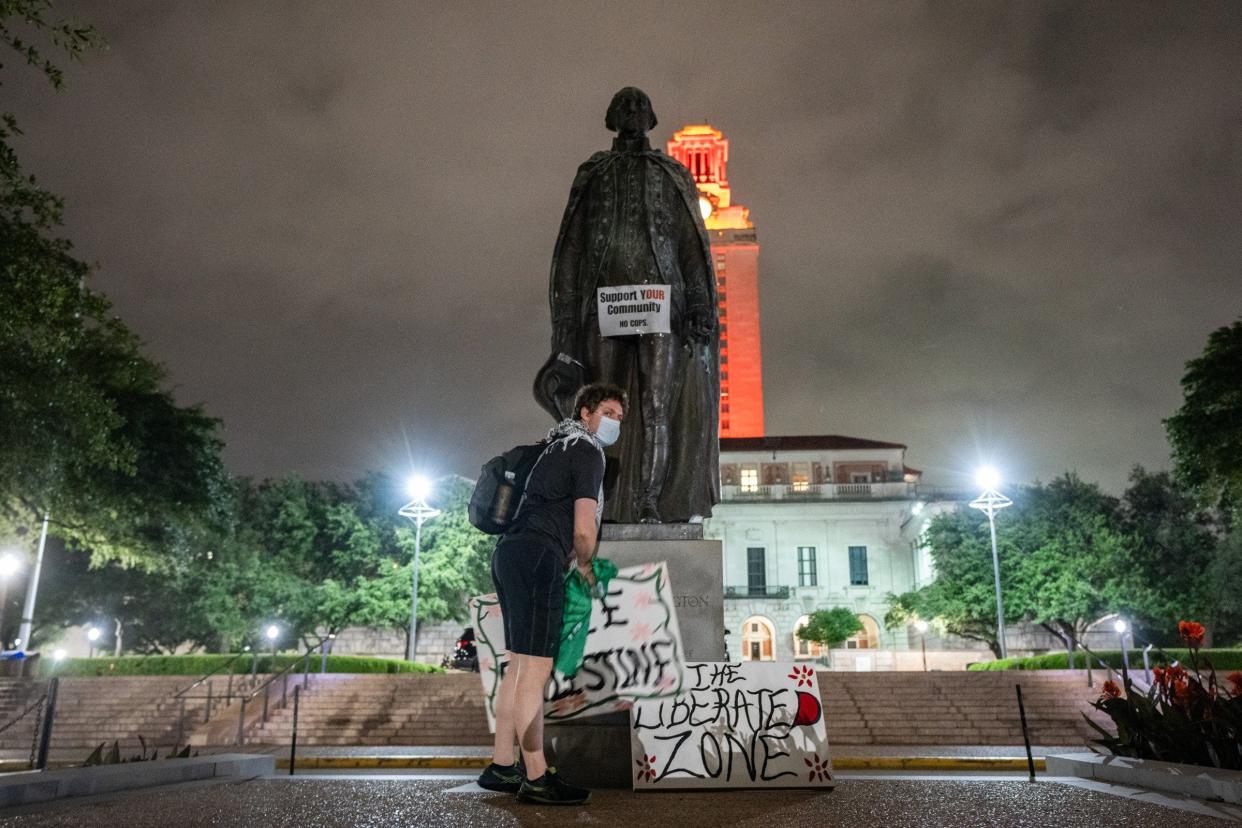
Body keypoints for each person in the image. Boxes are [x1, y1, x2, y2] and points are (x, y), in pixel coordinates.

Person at [537, 87, 719, 524]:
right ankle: (604, 499)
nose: (633, 111)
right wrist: (564, 320)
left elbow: (690, 245)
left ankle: (650, 502)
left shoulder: (671, 172)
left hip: (660, 303)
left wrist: (697, 301)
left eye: (640, 106)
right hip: (605, 306)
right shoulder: (594, 173)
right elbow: (572, 248)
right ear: (611, 116)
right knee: (600, 407)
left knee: (659, 405)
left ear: (652, 118)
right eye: (625, 105)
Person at [476, 382, 627, 805]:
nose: (614, 423)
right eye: (608, 413)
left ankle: (503, 765)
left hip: (509, 554)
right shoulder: (589, 451)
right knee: (536, 672)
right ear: (585, 412)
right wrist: (585, 566)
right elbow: (583, 527)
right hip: (541, 557)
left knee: (519, 666)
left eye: (619, 418)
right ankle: (538, 776)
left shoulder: (553, 446)